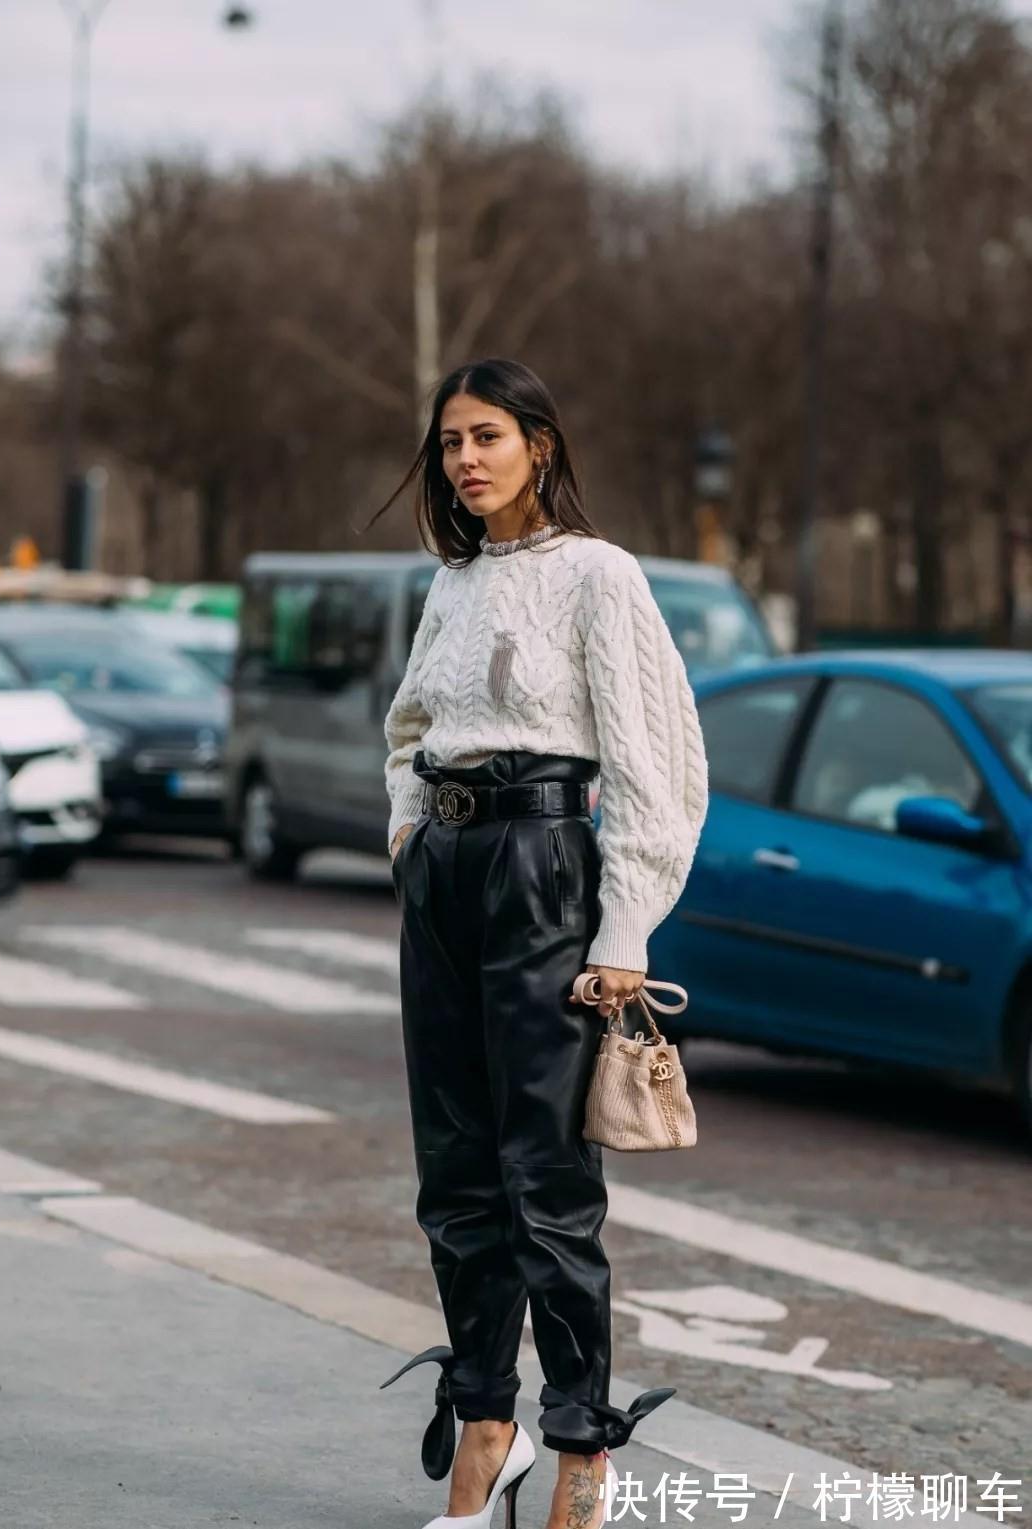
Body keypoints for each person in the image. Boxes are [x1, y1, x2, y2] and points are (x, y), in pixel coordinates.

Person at [371, 358, 709, 1529]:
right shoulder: (452, 582)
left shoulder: (598, 577)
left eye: (488, 438)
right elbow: (412, 721)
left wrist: (625, 926)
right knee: (454, 1176)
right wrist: (412, 833)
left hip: (544, 869)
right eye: (450, 441)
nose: (465, 459)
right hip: (449, 877)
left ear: (542, 447)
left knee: (547, 1183)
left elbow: (658, 759)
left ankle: (580, 1453)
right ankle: (483, 1426)